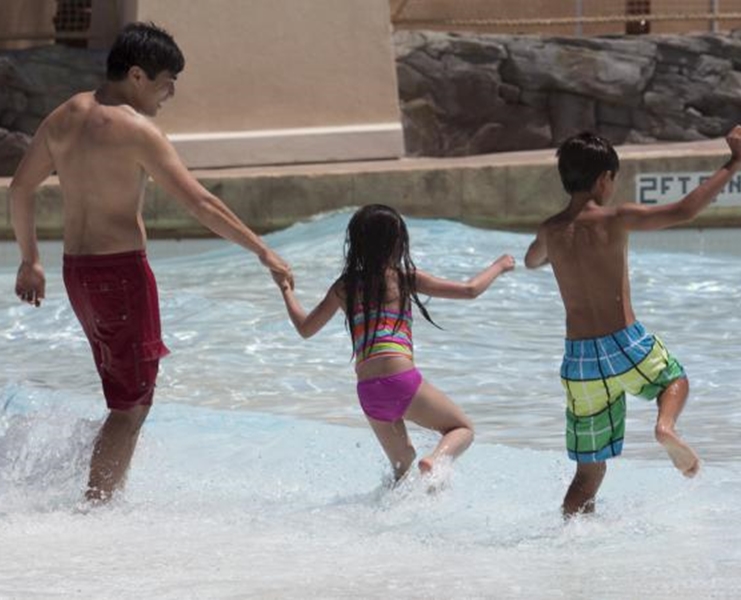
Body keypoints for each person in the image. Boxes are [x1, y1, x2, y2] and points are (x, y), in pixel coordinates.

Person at [8, 22, 293, 505]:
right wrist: (261, 249)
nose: (171, 93)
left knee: (122, 395)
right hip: (120, 275)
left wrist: (29, 260)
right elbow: (200, 203)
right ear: (137, 76)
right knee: (132, 406)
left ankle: (93, 492)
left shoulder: (64, 115)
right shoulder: (137, 131)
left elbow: (19, 189)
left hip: (77, 273)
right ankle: (97, 509)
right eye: (166, 82)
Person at [525, 125, 741, 517]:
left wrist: (552, 250)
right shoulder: (617, 218)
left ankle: (569, 550)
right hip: (624, 344)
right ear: (604, 179)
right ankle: (665, 426)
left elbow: (531, 260)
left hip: (579, 362)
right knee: (674, 380)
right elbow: (685, 210)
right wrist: (733, 162)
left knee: (588, 471)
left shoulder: (552, 229)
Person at [280, 204, 514, 483]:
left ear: (355, 243)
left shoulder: (345, 286)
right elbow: (470, 290)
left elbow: (306, 328)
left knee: (402, 470)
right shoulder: (403, 279)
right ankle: (435, 459)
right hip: (400, 377)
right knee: (461, 429)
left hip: (368, 390)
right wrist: (499, 265)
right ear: (397, 242)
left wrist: (286, 290)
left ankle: (390, 521)